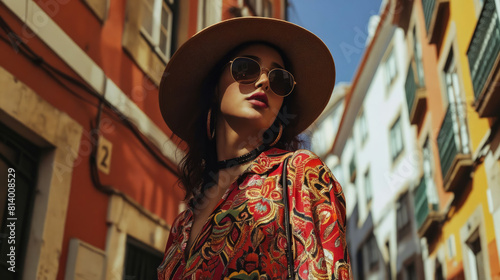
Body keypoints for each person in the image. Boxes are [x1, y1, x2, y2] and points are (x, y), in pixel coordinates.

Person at [157, 17, 351, 280]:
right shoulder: (183, 223)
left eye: (279, 79)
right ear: (215, 87)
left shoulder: (300, 174)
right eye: (246, 68)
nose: (263, 82)